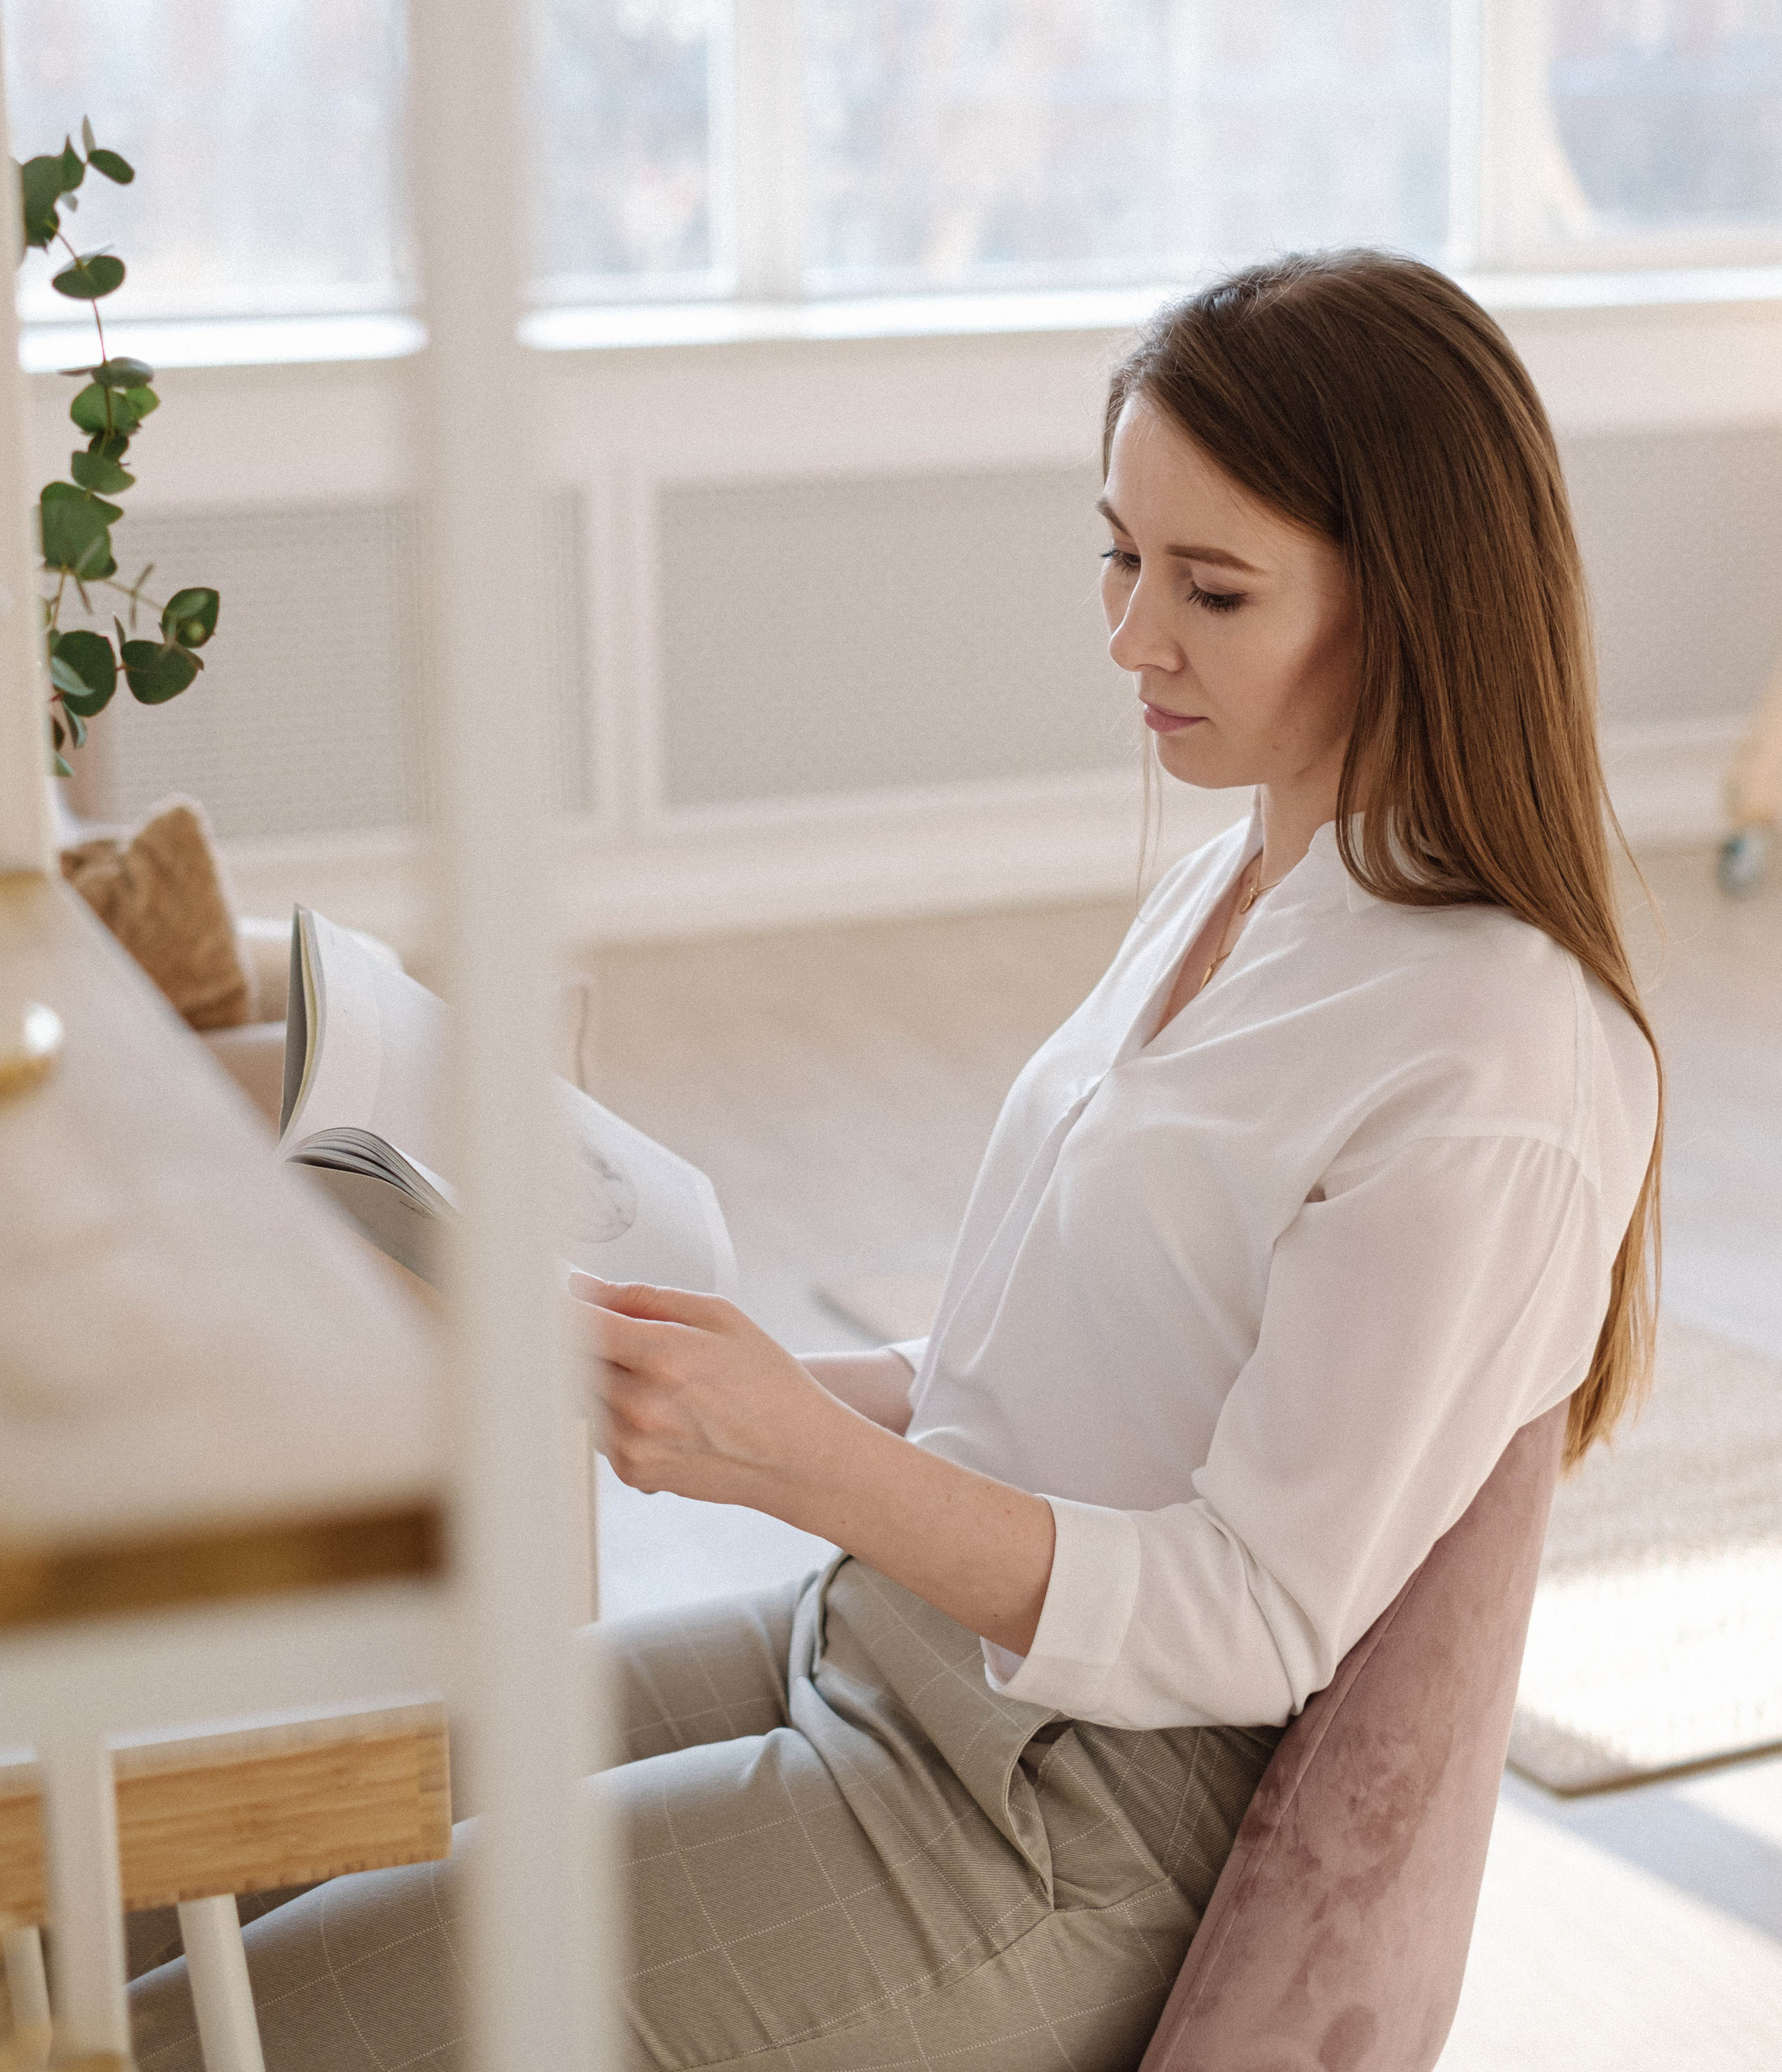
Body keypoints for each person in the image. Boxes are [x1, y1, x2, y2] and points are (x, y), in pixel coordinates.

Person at [129, 251, 1662, 2072]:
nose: (1130, 637)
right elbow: (1057, 1392)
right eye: (1120, 555)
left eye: (1213, 588)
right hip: (874, 1644)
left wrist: (794, 1464)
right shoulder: (1247, 882)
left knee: (209, 2035)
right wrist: (668, 1360)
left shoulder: (1490, 1058)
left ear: (1417, 599)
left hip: (1046, 1816)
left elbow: (1244, 1614)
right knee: (187, 1867)